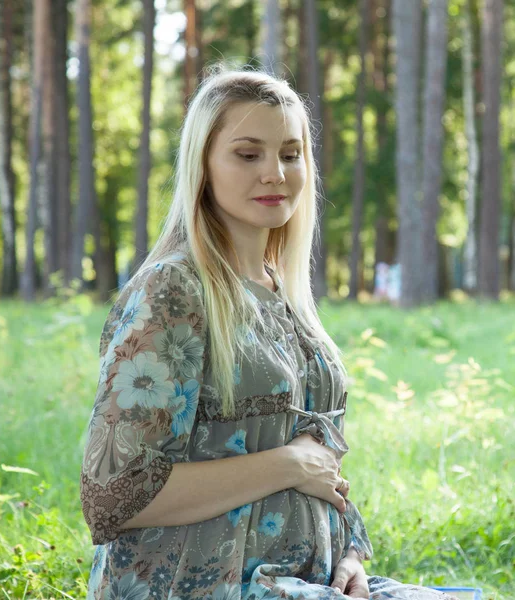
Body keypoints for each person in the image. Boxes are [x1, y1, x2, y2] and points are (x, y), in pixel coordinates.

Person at [79, 65, 459, 600]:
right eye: (247, 153)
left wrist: (349, 551)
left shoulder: (283, 290)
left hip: (308, 581)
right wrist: (285, 465)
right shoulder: (174, 291)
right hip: (204, 585)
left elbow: (318, 457)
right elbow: (114, 497)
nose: (276, 173)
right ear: (203, 165)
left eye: (290, 153)